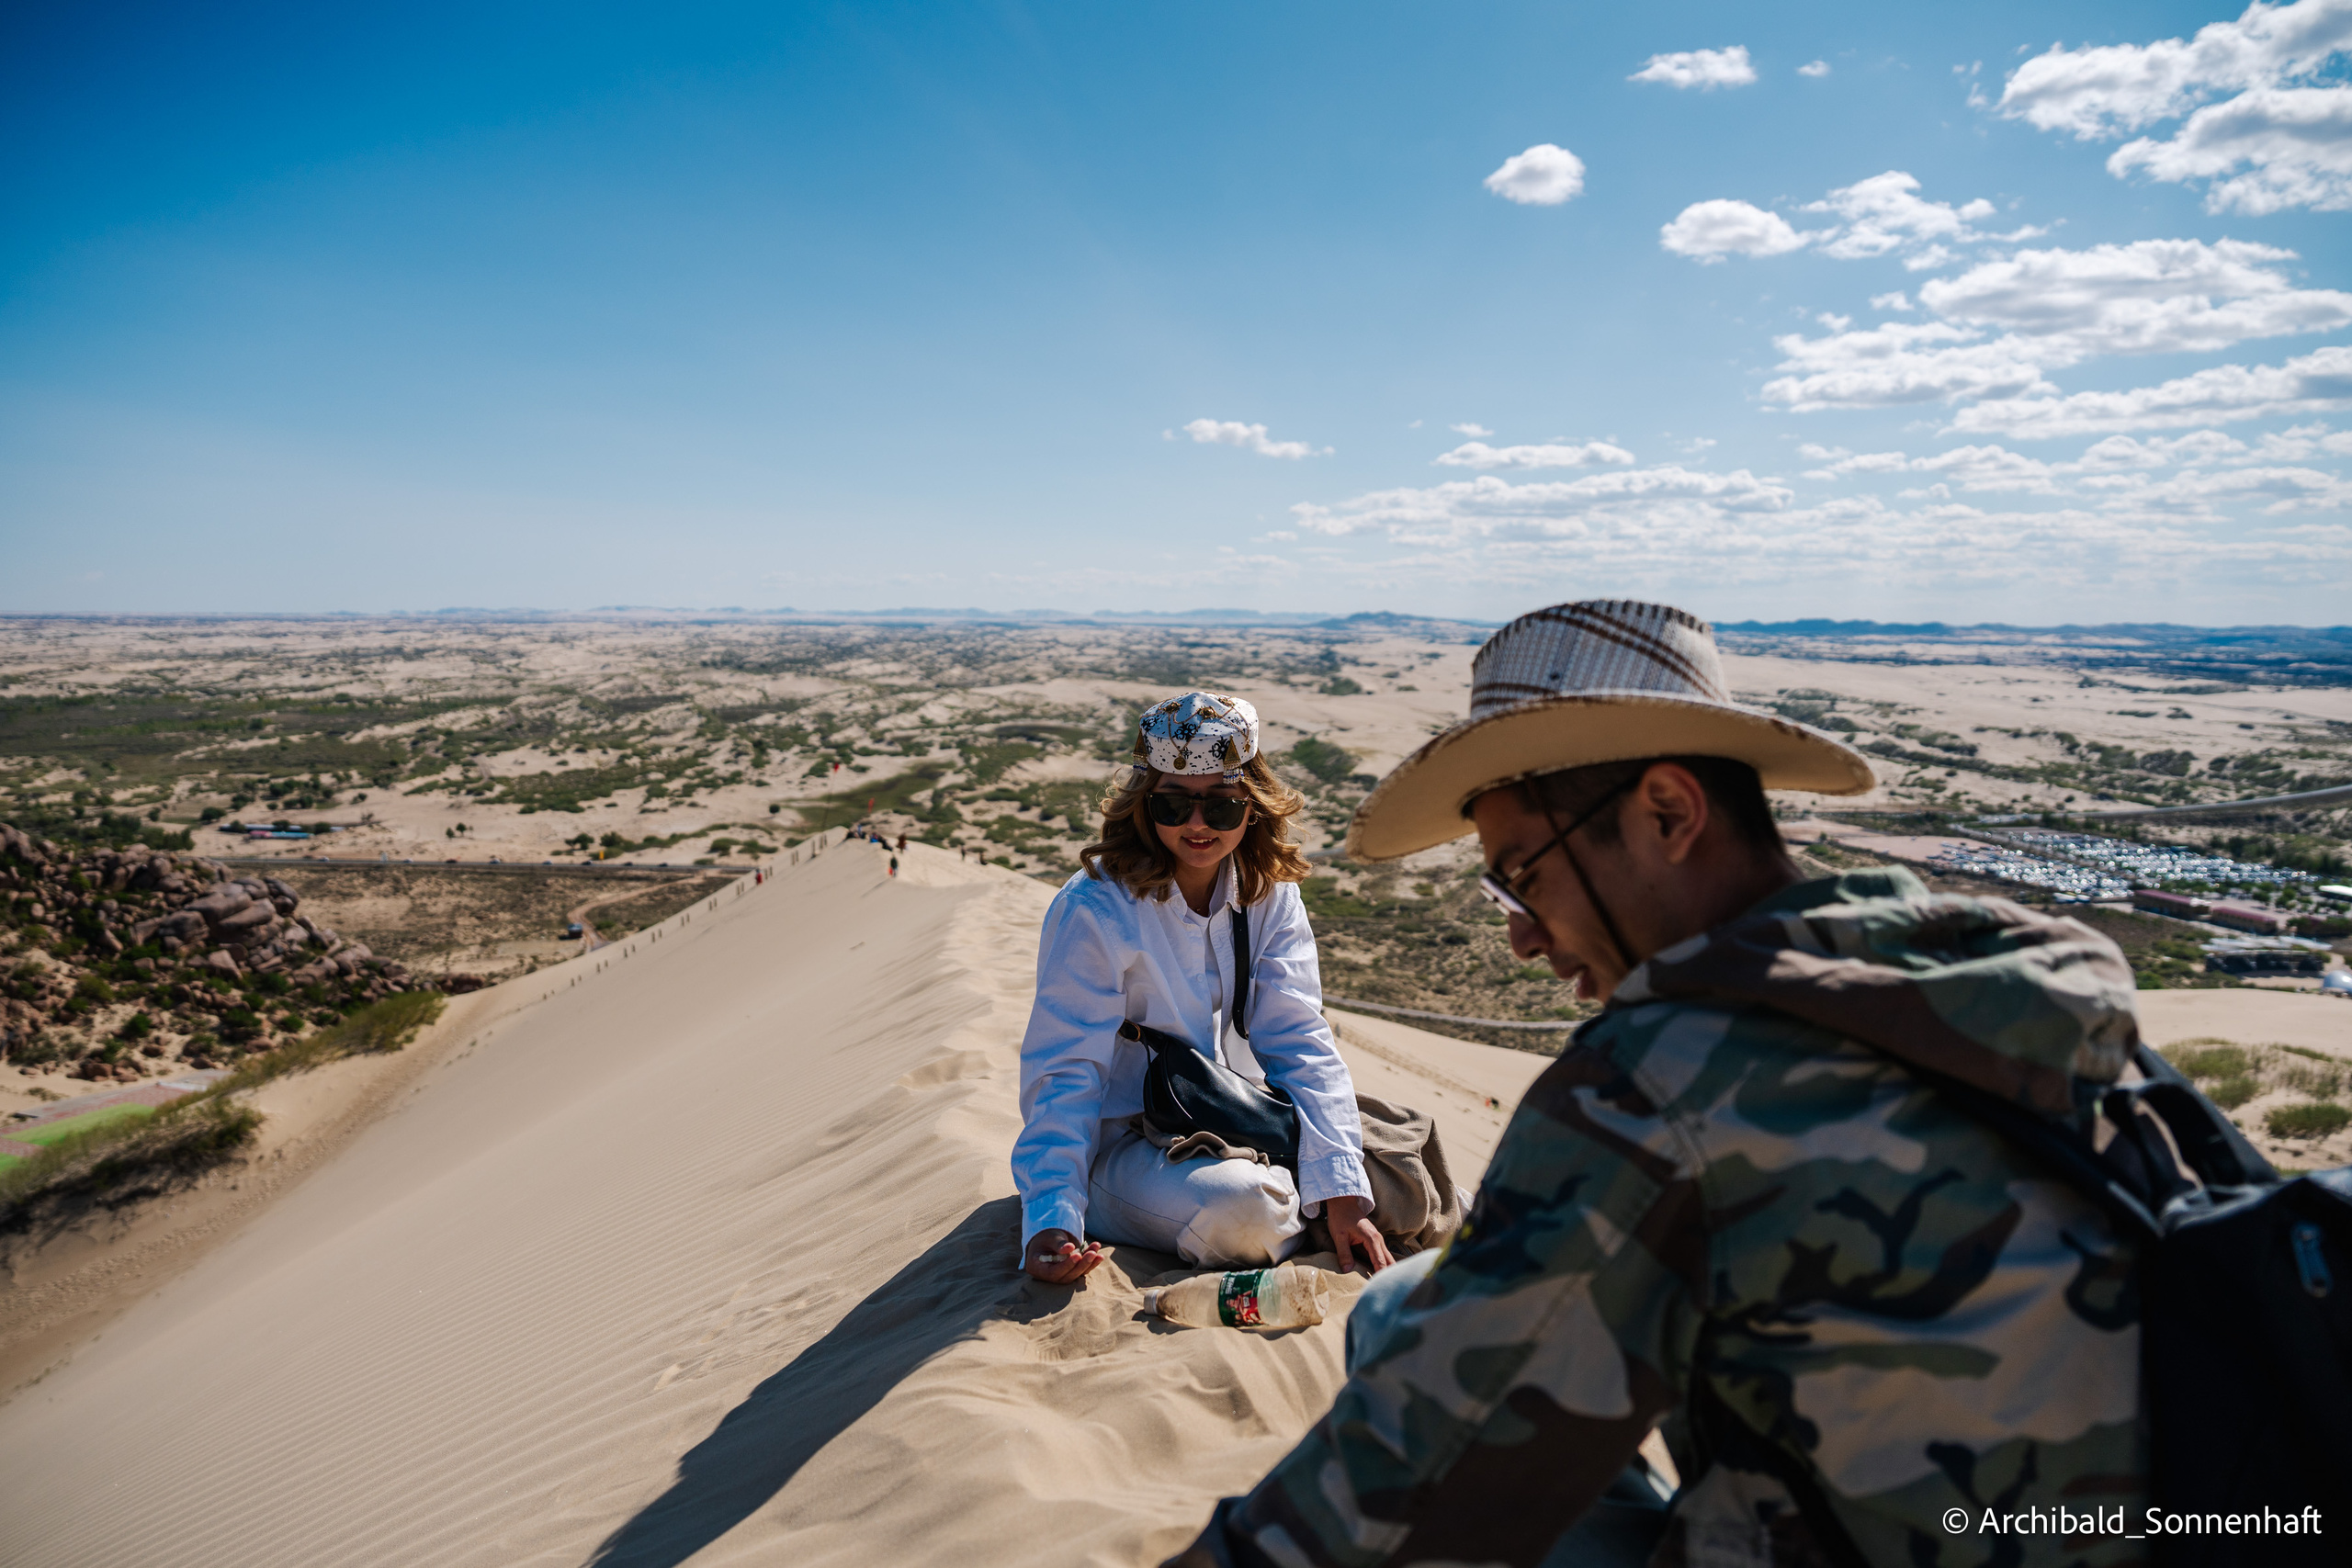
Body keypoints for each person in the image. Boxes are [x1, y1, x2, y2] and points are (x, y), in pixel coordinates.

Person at [1171, 601, 2146, 1568]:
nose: (1519, 934)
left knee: (1404, 1332)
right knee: (1407, 1299)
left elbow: (1408, 1473)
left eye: (1523, 876)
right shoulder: (2001, 990)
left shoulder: (1659, 1084)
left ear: (1669, 814)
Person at [1015, 691, 1395, 1282]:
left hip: (1227, 1113)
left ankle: (1318, 1203)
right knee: (1250, 1211)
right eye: (1173, 805)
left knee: (1389, 1164)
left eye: (1220, 807)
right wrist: (1052, 1218)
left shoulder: (1268, 894)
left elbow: (1298, 1037)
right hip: (1119, 1148)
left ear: (1253, 806)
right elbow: (1064, 1073)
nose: (1197, 825)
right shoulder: (1096, 908)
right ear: (1145, 806)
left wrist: (1343, 1189)